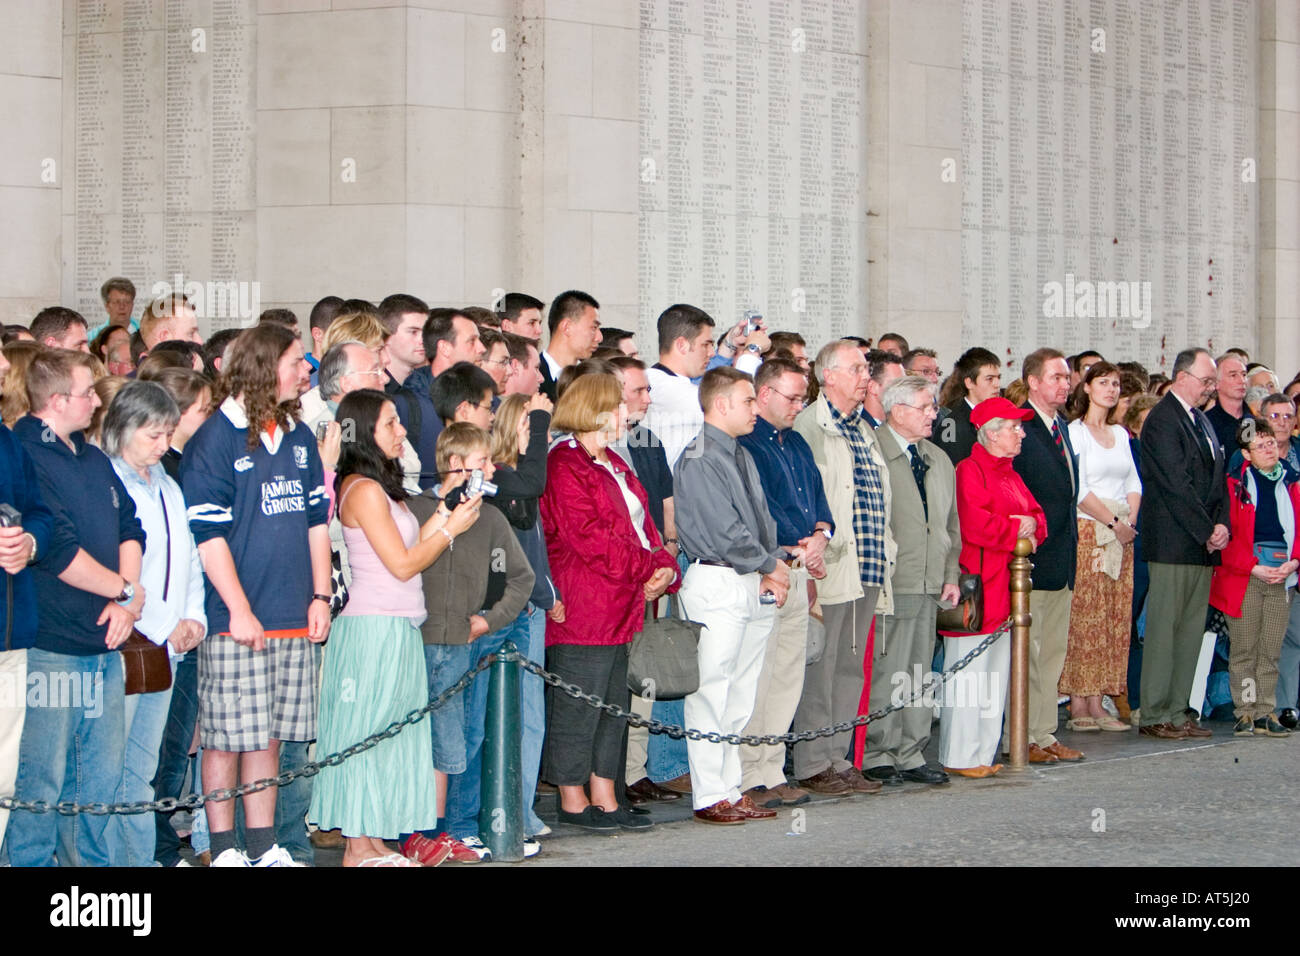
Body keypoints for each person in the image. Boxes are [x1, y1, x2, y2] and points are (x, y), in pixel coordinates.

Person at [181, 323, 332, 866]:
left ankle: (264, 844)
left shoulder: (296, 438)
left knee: (270, 739)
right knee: (226, 737)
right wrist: (239, 609)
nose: (305, 371)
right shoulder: (213, 440)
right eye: (296, 361)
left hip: (293, 610)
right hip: (236, 619)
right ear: (267, 367)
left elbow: (318, 521)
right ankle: (223, 848)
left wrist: (320, 596)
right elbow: (208, 536)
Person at [310, 389, 478, 865]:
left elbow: (411, 545)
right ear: (365, 431)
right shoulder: (361, 490)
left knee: (393, 733)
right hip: (371, 631)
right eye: (390, 423)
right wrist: (450, 532)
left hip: (398, 626)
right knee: (367, 732)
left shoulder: (380, 486)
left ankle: (373, 838)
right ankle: (356, 845)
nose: (402, 430)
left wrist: (446, 513)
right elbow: (402, 566)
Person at [9, 349, 146, 866]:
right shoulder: (26, 454)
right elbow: (59, 552)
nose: (96, 400)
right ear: (57, 399)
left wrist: (126, 601)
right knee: (40, 780)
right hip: (52, 645)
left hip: (104, 640)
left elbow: (132, 527)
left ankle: (90, 881)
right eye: (89, 392)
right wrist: (125, 592)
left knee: (99, 779)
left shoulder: (89, 456)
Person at [542, 372, 678, 829]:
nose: (627, 412)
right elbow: (590, 540)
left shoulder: (613, 461)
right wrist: (649, 567)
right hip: (585, 603)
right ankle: (572, 796)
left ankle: (606, 791)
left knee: (613, 705)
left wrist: (665, 566)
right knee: (579, 704)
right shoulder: (564, 463)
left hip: (622, 603)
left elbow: (645, 526)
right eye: (619, 404)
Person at [401, 423, 534, 864]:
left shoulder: (491, 517)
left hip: (460, 644)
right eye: (483, 462)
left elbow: (522, 578)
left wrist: (488, 620)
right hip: (410, 642)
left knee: (454, 739)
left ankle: (441, 831)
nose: (493, 469)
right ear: (456, 465)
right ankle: (406, 832)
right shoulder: (413, 510)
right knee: (409, 739)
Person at [103, 381, 208, 866]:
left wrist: (194, 616)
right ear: (123, 428)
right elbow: (121, 568)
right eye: (153, 435)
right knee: (109, 768)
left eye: (168, 434)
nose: (164, 445)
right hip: (124, 638)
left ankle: (140, 862)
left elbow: (187, 558)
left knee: (142, 769)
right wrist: (158, 620)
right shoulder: (106, 480)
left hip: (165, 641)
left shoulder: (168, 483)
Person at [791, 340, 892, 796]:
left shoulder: (865, 430)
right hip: (829, 567)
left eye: (866, 368)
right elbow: (806, 496)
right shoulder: (811, 425)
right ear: (827, 375)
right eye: (856, 368)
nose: (865, 376)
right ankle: (813, 761)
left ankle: (839, 757)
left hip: (868, 565)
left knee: (850, 668)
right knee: (822, 667)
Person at [736, 358, 832, 807]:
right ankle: (745, 773)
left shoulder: (796, 443)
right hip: (767, 571)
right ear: (766, 394)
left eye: (803, 398)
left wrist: (820, 537)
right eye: (793, 398)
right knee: (756, 676)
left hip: (798, 573)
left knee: (786, 677)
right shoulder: (746, 445)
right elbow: (758, 512)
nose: (799, 406)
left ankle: (771, 768)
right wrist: (794, 547)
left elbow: (819, 501)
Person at [864, 375, 961, 786]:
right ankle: (875, 751)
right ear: (897, 410)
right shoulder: (873, 451)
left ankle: (911, 750)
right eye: (925, 407)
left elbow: (950, 526)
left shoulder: (938, 459)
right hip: (892, 579)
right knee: (887, 669)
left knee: (920, 672)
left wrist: (951, 574)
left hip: (930, 580)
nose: (933, 415)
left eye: (933, 407)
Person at [940, 397, 1045, 776]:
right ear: (992, 432)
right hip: (979, 587)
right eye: (1015, 427)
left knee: (996, 674)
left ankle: (983, 753)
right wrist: (1017, 529)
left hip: (1007, 586)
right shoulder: (970, 470)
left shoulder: (1011, 474)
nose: (1021, 434)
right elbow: (974, 524)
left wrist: (1025, 529)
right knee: (969, 674)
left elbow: (1038, 517)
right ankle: (960, 755)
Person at [1137, 348, 1228, 739]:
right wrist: (1207, 528)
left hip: (1202, 542)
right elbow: (1175, 484)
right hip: (1175, 540)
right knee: (1164, 630)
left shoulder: (1201, 421)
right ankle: (1155, 712)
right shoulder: (1162, 420)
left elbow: (1218, 478)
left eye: (1213, 383)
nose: (1209, 389)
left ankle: (1179, 708)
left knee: (1191, 631)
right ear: (1181, 377)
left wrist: (1222, 523)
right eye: (1206, 381)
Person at [488, 392, 561, 836]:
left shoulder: (516, 477)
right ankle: (501, 809)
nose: (542, 440)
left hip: (532, 607)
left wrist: (548, 594)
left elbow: (536, 552)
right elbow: (533, 482)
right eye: (533, 431)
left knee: (531, 715)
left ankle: (521, 806)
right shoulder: (497, 478)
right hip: (503, 611)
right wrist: (538, 422)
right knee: (503, 714)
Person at [1059, 362, 1141, 732]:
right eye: (1103, 382)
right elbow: (1079, 486)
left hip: (1122, 533)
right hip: (1092, 530)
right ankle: (1079, 701)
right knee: (1086, 618)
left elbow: (1133, 481)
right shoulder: (1075, 432)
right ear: (1087, 388)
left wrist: (1129, 523)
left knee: (1112, 617)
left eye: (1116, 384)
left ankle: (1099, 701)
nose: (1110, 389)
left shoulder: (1120, 434)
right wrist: (1112, 523)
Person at [1010, 348, 1083, 764]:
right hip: (1033, 556)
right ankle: (1023, 735)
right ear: (1033, 381)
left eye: (1067, 377)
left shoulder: (1061, 428)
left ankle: (1043, 730)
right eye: (1055, 376)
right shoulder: (1020, 427)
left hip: (1062, 556)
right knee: (1031, 652)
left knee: (1052, 652)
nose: (1065, 383)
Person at [0, 351, 57, 852]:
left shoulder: (7, 440)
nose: (3, 363)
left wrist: (31, 543)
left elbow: (38, 511)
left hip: (11, 634)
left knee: (4, 778)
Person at [1209, 417, 1298, 738]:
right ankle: (1245, 710)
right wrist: (1252, 566)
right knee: (1245, 649)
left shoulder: (1292, 481)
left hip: (1282, 574)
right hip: (1245, 576)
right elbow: (1227, 537)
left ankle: (1266, 710)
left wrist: (1293, 563)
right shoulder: (1234, 486)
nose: (1268, 449)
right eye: (1259, 446)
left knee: (1270, 650)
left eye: (1271, 442)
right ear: (1246, 454)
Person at [641, 303, 716, 469]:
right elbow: (727, 408)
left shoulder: (664, 380)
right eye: (706, 344)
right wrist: (751, 352)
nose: (712, 352)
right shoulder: (661, 384)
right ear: (682, 345)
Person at [935, 347, 1002, 465]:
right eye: (989, 379)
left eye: (998, 378)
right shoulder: (951, 423)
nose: (997, 385)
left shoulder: (999, 418)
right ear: (969, 383)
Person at [539, 290, 601, 402]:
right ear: (567, 327)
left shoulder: (594, 379)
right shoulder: (533, 377)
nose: (599, 337)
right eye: (593, 328)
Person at [1205, 352, 1248, 452]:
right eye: (1233, 375)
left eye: (1244, 374)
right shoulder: (1207, 424)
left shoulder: (1254, 420)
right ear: (1216, 383)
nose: (1241, 380)